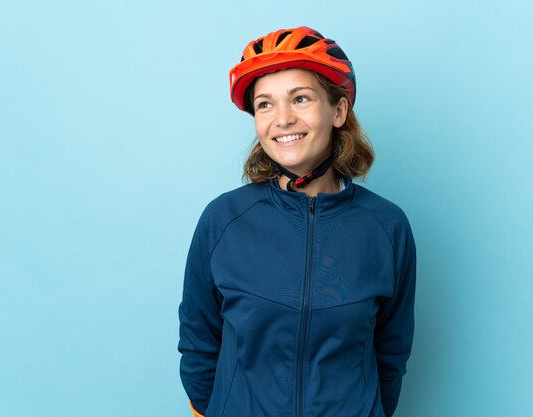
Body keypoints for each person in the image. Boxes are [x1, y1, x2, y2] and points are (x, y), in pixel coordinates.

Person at [178, 26, 416, 417]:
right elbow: (199, 342)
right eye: (265, 105)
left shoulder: (387, 227)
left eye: (300, 99)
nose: (282, 119)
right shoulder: (223, 221)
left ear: (338, 111)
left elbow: (391, 351)